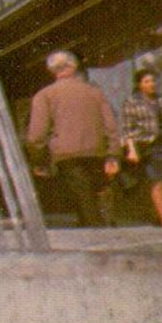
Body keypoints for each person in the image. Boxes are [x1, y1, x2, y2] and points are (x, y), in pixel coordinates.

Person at [25, 51, 121, 227]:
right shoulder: (95, 93)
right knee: (93, 196)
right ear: (74, 66)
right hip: (96, 152)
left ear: (51, 70)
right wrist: (113, 154)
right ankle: (99, 231)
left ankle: (96, 236)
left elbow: (36, 135)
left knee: (83, 199)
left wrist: (39, 160)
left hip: (66, 155)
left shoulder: (44, 95)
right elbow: (111, 125)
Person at [121, 70, 162, 229]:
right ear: (139, 84)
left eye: (153, 81)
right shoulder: (132, 102)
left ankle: (156, 206)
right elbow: (128, 130)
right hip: (148, 145)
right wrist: (131, 150)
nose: (151, 84)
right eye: (147, 81)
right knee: (157, 182)